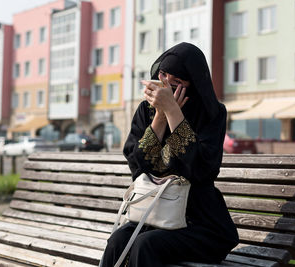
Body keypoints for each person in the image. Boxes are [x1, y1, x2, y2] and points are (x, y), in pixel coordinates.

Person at [99, 42, 239, 266]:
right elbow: (138, 167)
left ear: (192, 84)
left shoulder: (211, 112)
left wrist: (174, 112)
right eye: (163, 76)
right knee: (118, 241)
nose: (165, 86)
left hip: (200, 223)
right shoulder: (147, 110)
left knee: (146, 245)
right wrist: (160, 116)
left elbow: (202, 170)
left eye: (176, 82)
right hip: (155, 216)